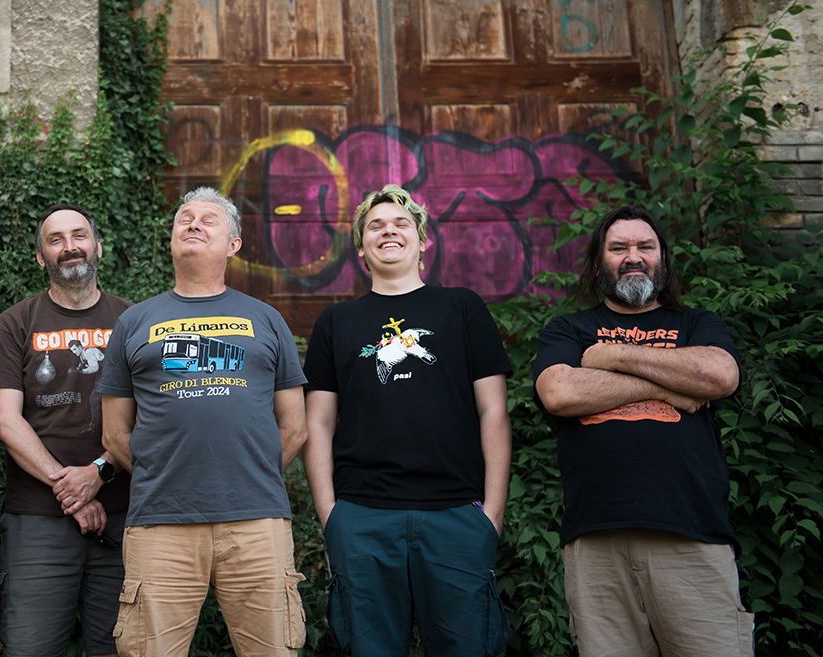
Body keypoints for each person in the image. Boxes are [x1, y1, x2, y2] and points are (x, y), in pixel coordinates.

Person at [301, 184, 512, 657]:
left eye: (401, 223)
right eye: (375, 226)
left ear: (423, 240)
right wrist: (331, 516)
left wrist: (492, 515)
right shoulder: (335, 322)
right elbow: (318, 424)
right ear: (361, 248)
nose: (389, 231)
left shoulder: (462, 307)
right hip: (362, 517)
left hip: (456, 514)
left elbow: (493, 411)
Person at [533, 204, 753, 657]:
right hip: (597, 542)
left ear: (662, 258)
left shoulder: (696, 323)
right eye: (619, 248)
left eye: (645, 246)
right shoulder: (569, 329)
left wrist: (613, 355)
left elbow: (720, 376)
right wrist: (669, 387)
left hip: (691, 534)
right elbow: (560, 392)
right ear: (598, 262)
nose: (633, 256)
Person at [98, 186, 308, 657]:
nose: (192, 223)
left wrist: (248, 475)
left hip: (257, 522)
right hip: (160, 522)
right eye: (184, 218)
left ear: (233, 244)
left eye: (208, 219)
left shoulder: (266, 319)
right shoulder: (134, 322)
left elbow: (295, 427)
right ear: (172, 239)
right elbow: (114, 432)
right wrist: (166, 475)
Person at [0, 203, 132, 657]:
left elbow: (151, 416)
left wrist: (99, 473)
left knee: (122, 649)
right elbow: (6, 419)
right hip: (38, 519)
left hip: (126, 517)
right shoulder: (16, 322)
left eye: (79, 236)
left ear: (98, 247)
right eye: (56, 240)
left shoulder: (133, 321)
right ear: (40, 256)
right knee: (30, 648)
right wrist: (72, 489)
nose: (70, 247)